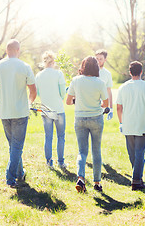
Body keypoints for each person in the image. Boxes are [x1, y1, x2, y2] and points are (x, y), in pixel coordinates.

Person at [0, 39, 37, 188]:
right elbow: (33, 90)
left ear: (7, 50)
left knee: (13, 146)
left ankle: (20, 174)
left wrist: (0, 99)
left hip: (5, 112)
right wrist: (29, 104)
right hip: (20, 112)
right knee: (16, 146)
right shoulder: (24, 66)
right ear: (18, 50)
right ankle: (10, 177)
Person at [66, 56, 108, 193]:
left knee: (82, 151)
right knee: (96, 150)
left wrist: (78, 102)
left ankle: (81, 179)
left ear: (83, 67)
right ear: (96, 67)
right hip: (96, 118)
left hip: (80, 119)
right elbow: (105, 104)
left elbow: (68, 101)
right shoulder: (100, 83)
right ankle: (97, 183)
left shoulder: (75, 80)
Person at [116, 61, 145, 191]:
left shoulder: (123, 87)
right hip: (142, 125)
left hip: (127, 125)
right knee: (139, 153)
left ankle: (137, 178)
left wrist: (121, 122)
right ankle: (136, 180)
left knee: (132, 154)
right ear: (141, 72)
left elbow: (118, 107)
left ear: (129, 72)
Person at [35, 51, 67, 169]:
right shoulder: (58, 74)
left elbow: (38, 92)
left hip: (46, 110)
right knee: (61, 136)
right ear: (53, 62)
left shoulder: (38, 76)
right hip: (58, 109)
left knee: (48, 136)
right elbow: (63, 92)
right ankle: (61, 162)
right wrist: (60, 98)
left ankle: (49, 162)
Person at [95, 49, 113, 120]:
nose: (98, 61)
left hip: (101, 107)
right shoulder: (89, 71)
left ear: (105, 60)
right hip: (89, 106)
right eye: (97, 59)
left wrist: (111, 108)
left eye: (101, 59)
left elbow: (109, 91)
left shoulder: (107, 74)